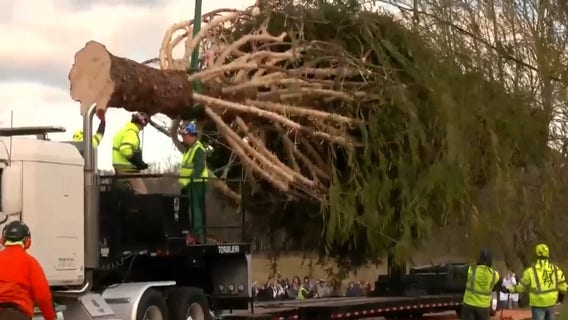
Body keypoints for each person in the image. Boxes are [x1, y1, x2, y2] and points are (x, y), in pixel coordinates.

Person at [0, 221, 56, 320]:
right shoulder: (30, 263)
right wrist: (50, 318)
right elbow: (43, 297)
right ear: (27, 241)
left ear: (3, 239)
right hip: (18, 315)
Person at [506, 243, 567, 320]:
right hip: (551, 303)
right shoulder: (556, 270)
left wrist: (510, 289)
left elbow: (520, 288)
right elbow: (564, 287)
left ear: (536, 255)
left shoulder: (530, 272)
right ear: (548, 255)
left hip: (538, 305)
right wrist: (561, 297)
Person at [178, 122, 209, 241]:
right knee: (187, 207)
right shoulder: (189, 149)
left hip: (196, 183)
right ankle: (188, 230)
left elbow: (199, 167)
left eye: (185, 136)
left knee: (195, 208)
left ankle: (196, 233)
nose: (183, 139)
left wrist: (191, 178)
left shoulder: (198, 149)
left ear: (191, 135)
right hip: (189, 184)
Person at [112, 112, 150, 194]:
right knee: (142, 193)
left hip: (119, 168)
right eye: (143, 126)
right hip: (126, 169)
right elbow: (125, 149)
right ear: (141, 123)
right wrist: (136, 160)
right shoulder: (131, 132)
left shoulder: (123, 130)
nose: (142, 129)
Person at [461, 249, 501, 320]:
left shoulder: (471, 270)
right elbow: (496, 288)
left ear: (479, 259)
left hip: (469, 304)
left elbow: (460, 274)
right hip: (484, 307)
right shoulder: (495, 275)